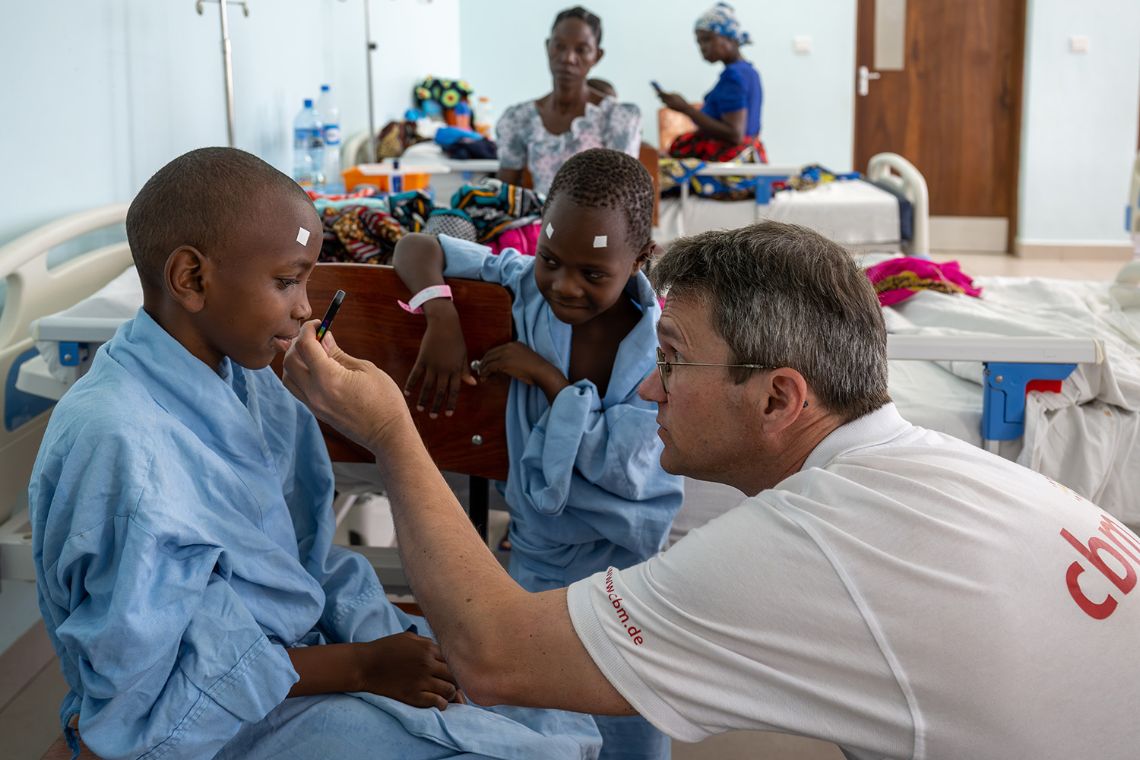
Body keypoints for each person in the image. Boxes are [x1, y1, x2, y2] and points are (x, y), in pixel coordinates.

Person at [286, 219, 1140, 760]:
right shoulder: (951, 472)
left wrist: (393, 433)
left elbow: (494, 656)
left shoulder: (814, 544)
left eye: (670, 363)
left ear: (779, 398)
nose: (649, 392)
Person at [28, 147, 600, 760]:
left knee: (559, 711)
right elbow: (147, 701)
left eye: (308, 279)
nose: (305, 307)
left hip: (293, 660)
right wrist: (358, 666)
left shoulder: (246, 377)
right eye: (286, 281)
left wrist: (375, 635)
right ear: (191, 279)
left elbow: (302, 561)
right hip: (217, 720)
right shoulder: (121, 450)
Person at [392, 147, 683, 760]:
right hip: (538, 560)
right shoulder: (524, 285)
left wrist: (549, 380)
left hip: (624, 571)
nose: (563, 285)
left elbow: (625, 471)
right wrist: (440, 313)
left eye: (591, 274)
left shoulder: (658, 347)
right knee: (531, 719)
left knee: (627, 708)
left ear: (641, 261)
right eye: (550, 259)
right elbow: (416, 245)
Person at [496, 6, 641, 196]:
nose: (568, 58)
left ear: (597, 56)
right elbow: (504, 195)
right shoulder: (518, 118)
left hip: (597, 224)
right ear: (548, 46)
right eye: (559, 46)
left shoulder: (617, 118)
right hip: (542, 224)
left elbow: (622, 199)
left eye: (582, 50)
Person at [656, 2, 765, 163]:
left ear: (729, 38)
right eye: (699, 42)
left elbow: (735, 134)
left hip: (729, 163)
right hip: (748, 158)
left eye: (707, 40)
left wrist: (686, 109)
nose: (702, 47)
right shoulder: (749, 72)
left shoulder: (733, 75)